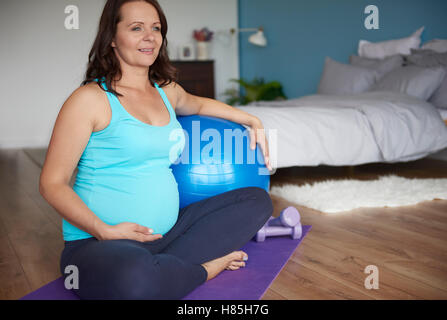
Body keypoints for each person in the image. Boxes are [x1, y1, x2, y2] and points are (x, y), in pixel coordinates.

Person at [39, 0, 274, 300]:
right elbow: (51, 183)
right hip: (100, 244)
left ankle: (167, 268)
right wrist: (103, 230)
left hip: (168, 235)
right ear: (112, 37)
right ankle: (204, 269)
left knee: (257, 201)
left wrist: (250, 118)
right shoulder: (89, 99)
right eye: (136, 28)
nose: (150, 37)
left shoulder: (166, 91)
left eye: (156, 28)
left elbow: (199, 104)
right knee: (135, 279)